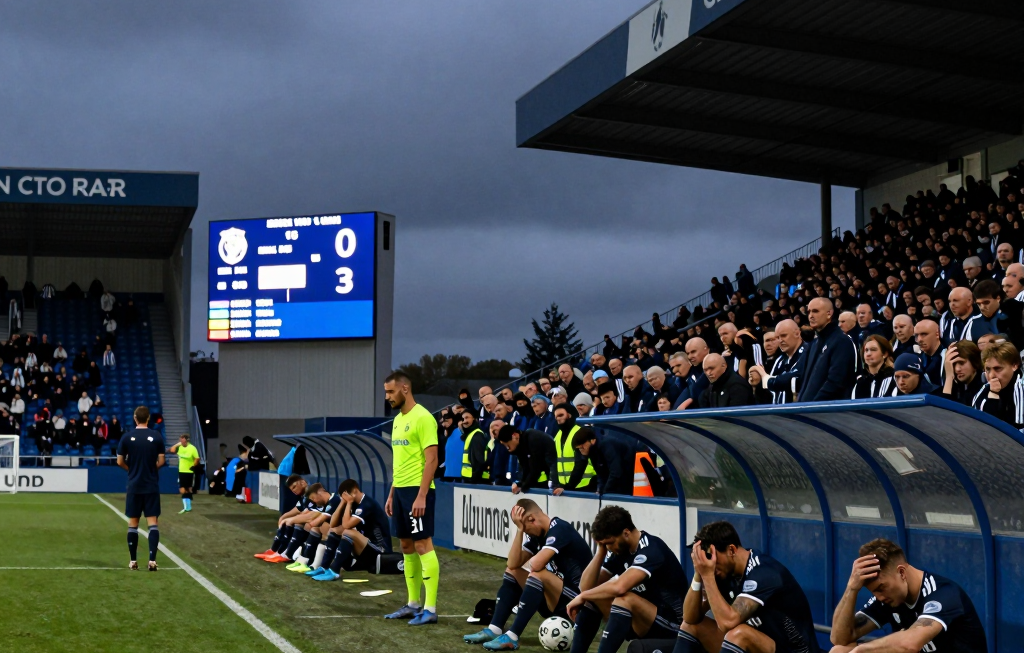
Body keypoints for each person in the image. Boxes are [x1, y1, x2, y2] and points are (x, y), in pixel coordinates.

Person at [466, 499, 594, 651]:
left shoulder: (560, 529)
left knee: (538, 574)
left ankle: (512, 636)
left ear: (532, 519)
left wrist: (524, 533)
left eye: (526, 528)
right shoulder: (538, 535)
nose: (527, 533)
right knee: (513, 572)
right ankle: (494, 629)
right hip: (557, 598)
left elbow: (535, 566)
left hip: (577, 602)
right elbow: (512, 563)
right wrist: (520, 530)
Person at [677, 520, 817, 653]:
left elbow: (728, 622)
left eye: (712, 557)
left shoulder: (763, 572)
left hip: (793, 650)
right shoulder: (722, 572)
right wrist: (699, 573)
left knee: (739, 635)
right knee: (691, 626)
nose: (710, 564)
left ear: (731, 550)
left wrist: (707, 576)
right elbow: (689, 618)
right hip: (759, 646)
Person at [828, 538, 986, 653]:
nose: (879, 597)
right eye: (873, 592)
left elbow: (910, 644)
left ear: (902, 573)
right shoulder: (889, 598)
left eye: (881, 588)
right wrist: (852, 588)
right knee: (840, 650)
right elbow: (839, 638)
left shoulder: (943, 593)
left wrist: (862, 650)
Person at [564, 506, 685, 653]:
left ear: (626, 533)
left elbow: (619, 587)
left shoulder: (651, 549)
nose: (609, 548)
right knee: (594, 597)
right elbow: (586, 587)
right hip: (643, 620)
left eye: (610, 543)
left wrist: (583, 596)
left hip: (673, 625)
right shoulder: (620, 551)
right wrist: (601, 552)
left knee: (624, 599)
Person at [383, 371, 441, 625]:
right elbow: (400, 462)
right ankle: (413, 603)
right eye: (386, 392)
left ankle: (430, 608)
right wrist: (392, 493)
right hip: (401, 491)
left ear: (405, 388)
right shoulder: (397, 420)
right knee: (406, 546)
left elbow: (432, 460)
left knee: (422, 545)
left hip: (418, 491)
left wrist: (421, 496)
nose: (388, 397)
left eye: (391, 391)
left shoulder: (424, 417)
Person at [311, 478, 393, 581]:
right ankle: (324, 567)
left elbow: (346, 525)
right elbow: (333, 524)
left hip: (380, 550)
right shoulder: (354, 503)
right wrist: (342, 503)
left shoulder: (367, 504)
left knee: (348, 532)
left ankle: (334, 571)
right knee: (334, 531)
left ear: (354, 491)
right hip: (367, 548)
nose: (345, 499)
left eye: (345, 497)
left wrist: (349, 503)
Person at [115, 406, 165, 571]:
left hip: (134, 485)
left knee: (133, 524)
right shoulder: (156, 436)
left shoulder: (126, 437)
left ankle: (133, 561)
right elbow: (162, 461)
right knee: (153, 523)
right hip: (151, 485)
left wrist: (132, 470)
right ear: (148, 418)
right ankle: (152, 561)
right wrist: (151, 470)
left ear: (135, 418)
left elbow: (119, 461)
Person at [799, 298, 858, 401]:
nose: (811, 316)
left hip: (826, 409)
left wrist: (813, 406)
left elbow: (836, 382)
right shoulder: (814, 344)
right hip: (808, 408)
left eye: (815, 311)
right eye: (809, 312)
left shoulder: (841, 342)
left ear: (829, 314)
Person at [285, 482, 344, 574]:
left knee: (322, 526)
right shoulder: (326, 502)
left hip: (346, 534)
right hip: (337, 532)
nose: (314, 501)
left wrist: (305, 520)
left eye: (313, 498)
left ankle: (318, 564)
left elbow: (317, 521)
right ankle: (307, 561)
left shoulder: (334, 500)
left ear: (320, 493)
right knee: (315, 528)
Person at [254, 474, 312, 561]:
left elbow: (311, 512)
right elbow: (298, 508)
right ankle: (275, 550)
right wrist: (284, 516)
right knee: (286, 520)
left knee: (293, 522)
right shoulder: (304, 495)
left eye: (294, 487)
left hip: (318, 521)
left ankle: (285, 554)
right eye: (292, 489)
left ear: (303, 482)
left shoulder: (312, 492)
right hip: (312, 519)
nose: (294, 491)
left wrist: (291, 519)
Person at [749, 319, 805, 405]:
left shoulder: (808, 353)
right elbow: (770, 387)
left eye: (784, 336)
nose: (780, 340)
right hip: (779, 410)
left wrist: (764, 375)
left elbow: (795, 379)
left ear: (797, 333)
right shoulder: (780, 360)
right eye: (778, 337)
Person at [972, 342, 1024, 429]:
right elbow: (981, 424)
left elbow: (1019, 428)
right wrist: (993, 394)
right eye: (988, 369)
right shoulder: (985, 389)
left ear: (1014, 366)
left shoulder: (1021, 388)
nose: (992, 375)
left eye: (998, 369)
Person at [571, 427, 633, 496]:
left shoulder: (606, 445)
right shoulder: (592, 451)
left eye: (582, 447)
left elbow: (616, 472)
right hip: (621, 481)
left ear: (592, 440)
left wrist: (604, 491)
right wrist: (600, 490)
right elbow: (600, 474)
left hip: (629, 479)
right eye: (579, 449)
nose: (581, 451)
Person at [496, 424, 557, 495]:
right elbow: (525, 468)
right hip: (542, 477)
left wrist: (523, 486)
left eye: (507, 444)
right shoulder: (521, 444)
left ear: (514, 436)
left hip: (550, 478)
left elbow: (536, 467)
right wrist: (520, 483)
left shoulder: (533, 439)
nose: (507, 448)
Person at [552, 404, 597, 494]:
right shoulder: (558, 435)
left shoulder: (580, 433)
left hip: (585, 485)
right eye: (556, 417)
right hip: (566, 486)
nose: (558, 419)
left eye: (561, 415)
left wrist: (568, 487)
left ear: (570, 415)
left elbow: (580, 463)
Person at [941, 341, 984, 406]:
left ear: (974, 362)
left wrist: (949, 377)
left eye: (961, 363)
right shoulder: (958, 386)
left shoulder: (982, 389)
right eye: (954, 364)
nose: (957, 369)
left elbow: (947, 409)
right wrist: (949, 377)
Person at [169, 434, 200, 514]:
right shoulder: (180, 447)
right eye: (180, 439)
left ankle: (188, 507)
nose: (181, 441)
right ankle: (187, 507)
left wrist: (193, 466)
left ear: (186, 440)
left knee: (188, 489)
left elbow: (197, 458)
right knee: (182, 489)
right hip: (181, 471)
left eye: (182, 439)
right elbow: (171, 450)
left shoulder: (192, 448)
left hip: (189, 471)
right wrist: (177, 444)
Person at [459, 410, 490, 484]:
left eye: (467, 418)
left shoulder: (477, 435)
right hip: (470, 478)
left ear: (474, 419)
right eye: (463, 419)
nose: (464, 421)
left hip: (474, 479)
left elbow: (479, 459)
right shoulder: (471, 434)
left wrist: (475, 476)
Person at [914, 319, 945, 386]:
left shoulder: (948, 356)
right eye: (916, 336)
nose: (919, 339)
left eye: (924, 334)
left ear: (937, 334)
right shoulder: (917, 360)